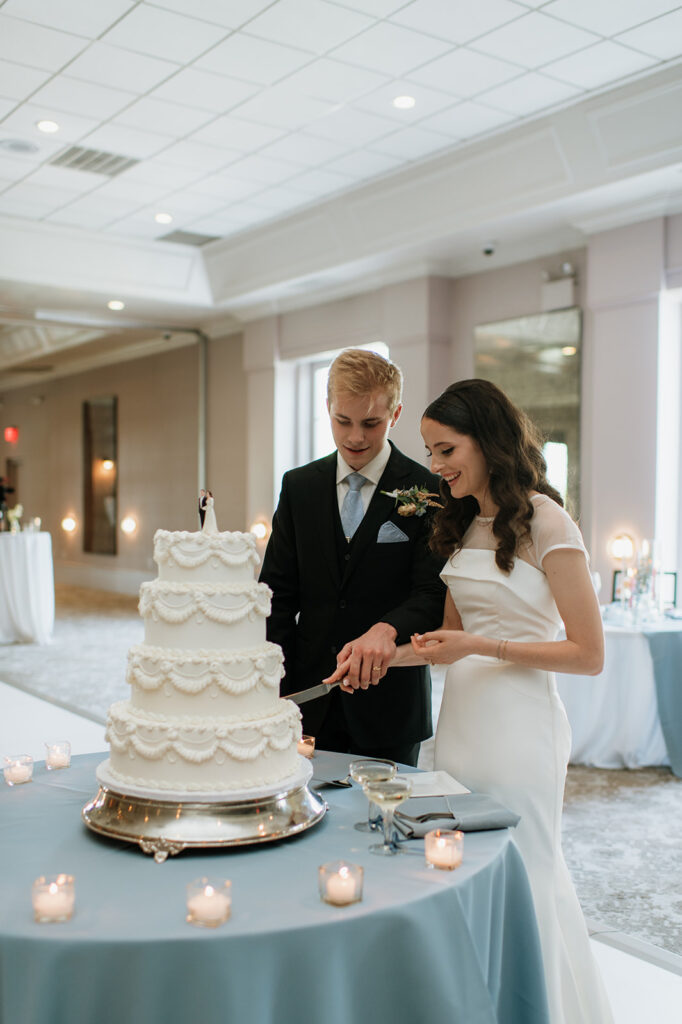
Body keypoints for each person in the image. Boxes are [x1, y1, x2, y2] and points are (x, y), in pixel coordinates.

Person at [332, 378, 612, 1023]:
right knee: (462, 867)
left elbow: (588, 654)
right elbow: (442, 644)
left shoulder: (546, 519)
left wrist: (487, 646)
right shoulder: (458, 522)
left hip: (522, 727)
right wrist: (375, 658)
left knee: (524, 868)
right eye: (429, 452)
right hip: (461, 724)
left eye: (447, 449)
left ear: (487, 441)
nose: (435, 467)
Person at [260, 348, 445, 766]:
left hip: (390, 707)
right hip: (307, 699)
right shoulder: (299, 487)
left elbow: (431, 594)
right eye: (343, 421)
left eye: (371, 423)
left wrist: (386, 629)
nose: (356, 437)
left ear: (395, 415)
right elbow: (276, 595)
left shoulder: (428, 489)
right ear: (327, 407)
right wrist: (270, 687)